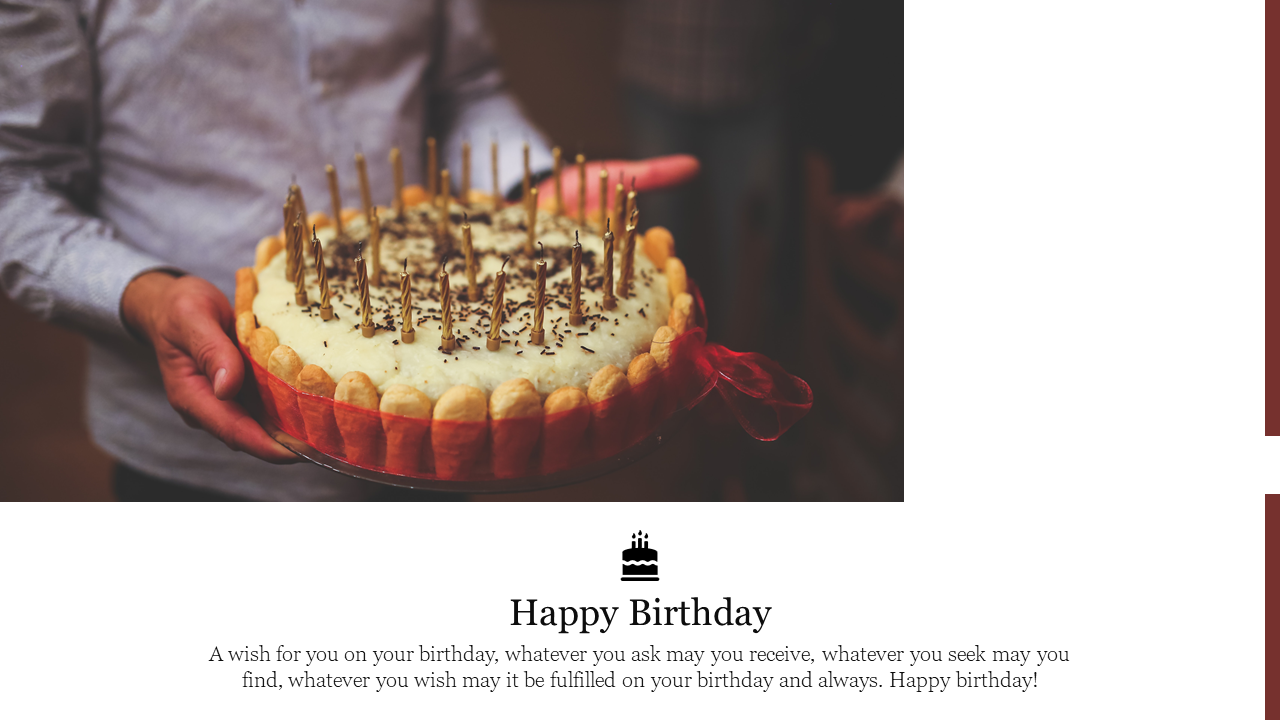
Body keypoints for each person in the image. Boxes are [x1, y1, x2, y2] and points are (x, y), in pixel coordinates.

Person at [0, 1, 696, 500]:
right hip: (192, 463)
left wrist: (535, 182)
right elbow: (14, 180)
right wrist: (145, 295)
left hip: (446, 422)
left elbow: (466, 88)